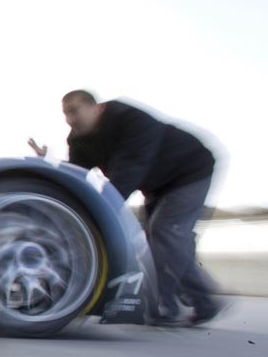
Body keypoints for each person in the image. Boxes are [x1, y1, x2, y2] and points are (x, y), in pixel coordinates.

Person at [29, 90, 222, 327]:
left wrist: (100, 217)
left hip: (190, 171)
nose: (70, 119)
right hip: (156, 184)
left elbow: (128, 173)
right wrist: (50, 164)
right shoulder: (78, 139)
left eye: (75, 111)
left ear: (97, 108)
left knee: (165, 231)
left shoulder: (131, 120)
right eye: (66, 114)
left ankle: (180, 306)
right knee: (157, 241)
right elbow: (79, 176)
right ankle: (190, 305)